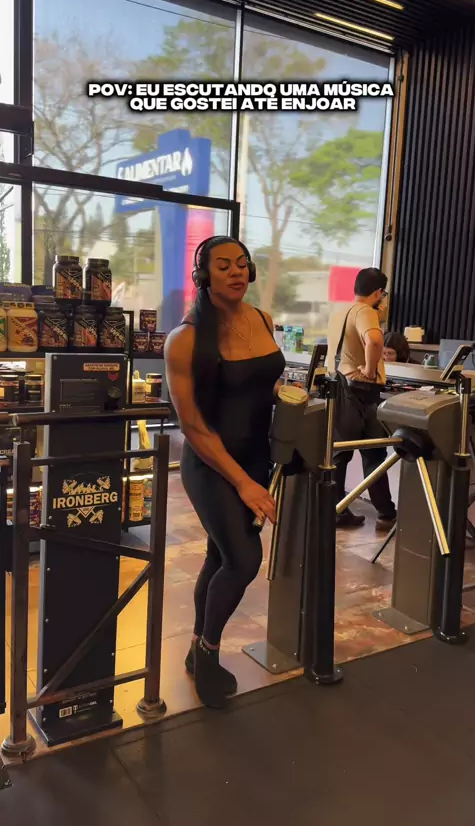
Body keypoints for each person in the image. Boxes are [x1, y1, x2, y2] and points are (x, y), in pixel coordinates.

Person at [164, 235, 285, 709]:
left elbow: (260, 387)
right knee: (243, 560)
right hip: (212, 464)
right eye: (223, 266)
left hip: (256, 458)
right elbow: (193, 425)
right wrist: (243, 482)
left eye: (242, 264)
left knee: (220, 557)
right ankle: (208, 652)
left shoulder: (263, 319)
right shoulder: (186, 339)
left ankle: (198, 647)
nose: (236, 272)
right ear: (203, 276)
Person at [327, 267, 397, 532]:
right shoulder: (365, 311)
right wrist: (369, 369)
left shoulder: (341, 311)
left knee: (339, 454)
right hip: (361, 391)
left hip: (340, 386)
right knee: (374, 454)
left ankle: (335, 510)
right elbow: (375, 340)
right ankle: (385, 514)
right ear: (378, 292)